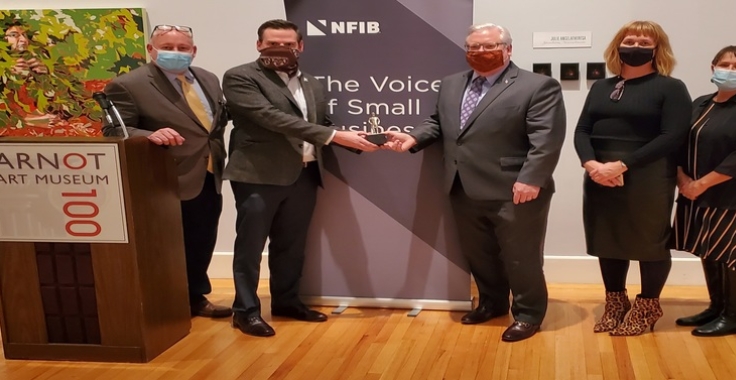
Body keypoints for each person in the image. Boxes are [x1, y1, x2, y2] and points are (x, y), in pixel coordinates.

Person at [385, 23, 566, 342]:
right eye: (473, 48)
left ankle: (528, 314)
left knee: (521, 256)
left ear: (508, 49)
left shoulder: (538, 86)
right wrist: (413, 138)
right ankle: (492, 303)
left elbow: (546, 139)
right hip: (461, 185)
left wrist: (531, 179)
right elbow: (438, 122)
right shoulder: (451, 84)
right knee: (479, 253)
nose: (480, 53)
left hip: (516, 189)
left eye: (489, 46)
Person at [222, 19, 377, 337]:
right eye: (272, 43)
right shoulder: (240, 77)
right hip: (258, 175)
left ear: (301, 47)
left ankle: (286, 302)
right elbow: (270, 118)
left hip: (304, 175)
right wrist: (336, 136)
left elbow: (319, 122)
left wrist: (359, 139)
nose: (280, 49)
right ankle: (246, 310)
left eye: (288, 44)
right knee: (250, 247)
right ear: (259, 45)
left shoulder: (312, 82)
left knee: (291, 246)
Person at [103, 24, 232, 318]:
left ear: (193, 51)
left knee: (201, 238)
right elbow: (112, 130)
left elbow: (212, 125)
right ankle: (164, 302)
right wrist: (147, 134)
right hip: (163, 176)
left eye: (182, 48)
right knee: (166, 245)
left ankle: (195, 298)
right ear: (151, 49)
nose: (175, 53)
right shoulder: (128, 85)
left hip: (208, 171)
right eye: (167, 47)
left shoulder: (209, 79)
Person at [573, 20, 692, 336]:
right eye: (631, 40)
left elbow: (673, 135)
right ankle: (615, 303)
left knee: (649, 242)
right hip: (600, 175)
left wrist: (622, 165)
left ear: (657, 49)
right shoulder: (601, 86)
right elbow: (582, 130)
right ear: (618, 46)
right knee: (607, 240)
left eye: (644, 42)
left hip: (648, 175)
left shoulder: (671, 87)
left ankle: (647, 305)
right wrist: (591, 165)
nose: (636, 46)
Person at [672, 46, 736, 337]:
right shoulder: (700, 104)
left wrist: (701, 183)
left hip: (735, 194)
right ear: (712, 68)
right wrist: (683, 178)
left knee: (734, 252)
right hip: (696, 192)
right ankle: (717, 307)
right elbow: (679, 144)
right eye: (724, 64)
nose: (729, 70)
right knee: (710, 249)